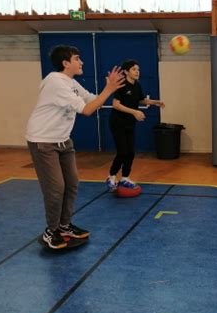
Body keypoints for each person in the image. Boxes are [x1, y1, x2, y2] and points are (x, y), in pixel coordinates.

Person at [26, 45, 125, 249]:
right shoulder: (55, 81)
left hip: (63, 141)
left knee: (71, 184)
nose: (81, 62)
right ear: (65, 63)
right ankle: (51, 231)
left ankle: (64, 225)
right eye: (77, 59)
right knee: (56, 189)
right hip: (43, 141)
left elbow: (91, 99)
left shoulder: (70, 83)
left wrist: (111, 92)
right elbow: (88, 110)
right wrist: (109, 89)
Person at [106, 59, 165, 192]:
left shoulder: (137, 85)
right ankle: (111, 176)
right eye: (134, 69)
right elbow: (116, 104)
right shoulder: (121, 85)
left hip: (129, 123)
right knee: (122, 152)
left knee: (130, 153)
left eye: (138, 69)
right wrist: (134, 112)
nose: (137, 71)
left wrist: (156, 102)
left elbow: (141, 100)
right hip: (117, 122)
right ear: (126, 72)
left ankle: (125, 178)